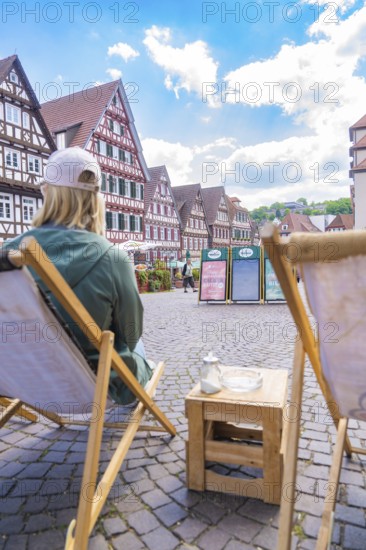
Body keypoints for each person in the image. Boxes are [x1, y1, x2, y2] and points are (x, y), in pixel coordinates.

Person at [3, 147, 152, 405]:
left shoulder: (8, 253)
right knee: (137, 344)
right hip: (101, 386)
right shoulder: (111, 257)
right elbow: (131, 335)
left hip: (23, 383)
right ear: (96, 200)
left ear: (47, 194)